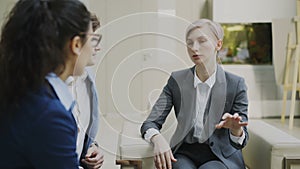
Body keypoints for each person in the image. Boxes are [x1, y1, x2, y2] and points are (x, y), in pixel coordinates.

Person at [0, 0, 100, 168]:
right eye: (93, 40)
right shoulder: (50, 114)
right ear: (76, 45)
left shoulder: (21, 88)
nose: (95, 48)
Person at [140, 18, 249, 169]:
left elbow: (242, 140)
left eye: (202, 41)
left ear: (218, 44)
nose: (194, 48)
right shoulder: (176, 80)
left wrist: (236, 129)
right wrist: (157, 138)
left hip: (222, 157)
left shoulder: (236, 84)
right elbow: (150, 122)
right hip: (185, 153)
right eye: (189, 42)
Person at [66, 13, 104, 169]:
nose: (98, 47)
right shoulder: (51, 91)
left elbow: (80, 134)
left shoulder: (88, 81)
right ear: (76, 44)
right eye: (93, 40)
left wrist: (91, 147)